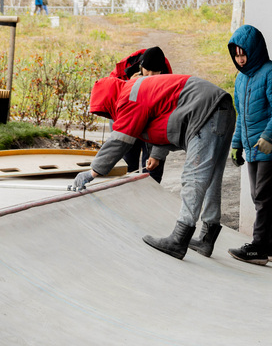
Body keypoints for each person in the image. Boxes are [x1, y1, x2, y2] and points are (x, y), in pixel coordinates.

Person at [69, 72, 235, 260]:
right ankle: (206, 238)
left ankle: (179, 240)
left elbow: (120, 140)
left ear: (108, 99)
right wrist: (157, 155)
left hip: (205, 111)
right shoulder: (136, 91)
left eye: (105, 111)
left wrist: (92, 172)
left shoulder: (128, 98)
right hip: (220, 107)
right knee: (212, 177)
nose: (108, 115)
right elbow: (162, 117)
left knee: (193, 177)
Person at [224, 24, 272, 266]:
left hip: (271, 148)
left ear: (255, 50)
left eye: (244, 53)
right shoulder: (241, 80)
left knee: (262, 197)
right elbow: (240, 115)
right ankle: (271, 246)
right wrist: (236, 144)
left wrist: (269, 137)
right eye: (237, 54)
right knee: (260, 197)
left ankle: (258, 248)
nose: (240, 59)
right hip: (253, 148)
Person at [108, 46, 172, 183]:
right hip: (129, 124)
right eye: (147, 71)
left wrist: (157, 155)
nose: (150, 76)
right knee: (128, 168)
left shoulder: (169, 81)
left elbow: (167, 120)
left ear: (161, 71)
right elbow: (113, 109)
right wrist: (129, 86)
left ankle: (151, 198)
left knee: (153, 170)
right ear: (140, 67)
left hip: (152, 125)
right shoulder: (122, 74)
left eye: (155, 72)